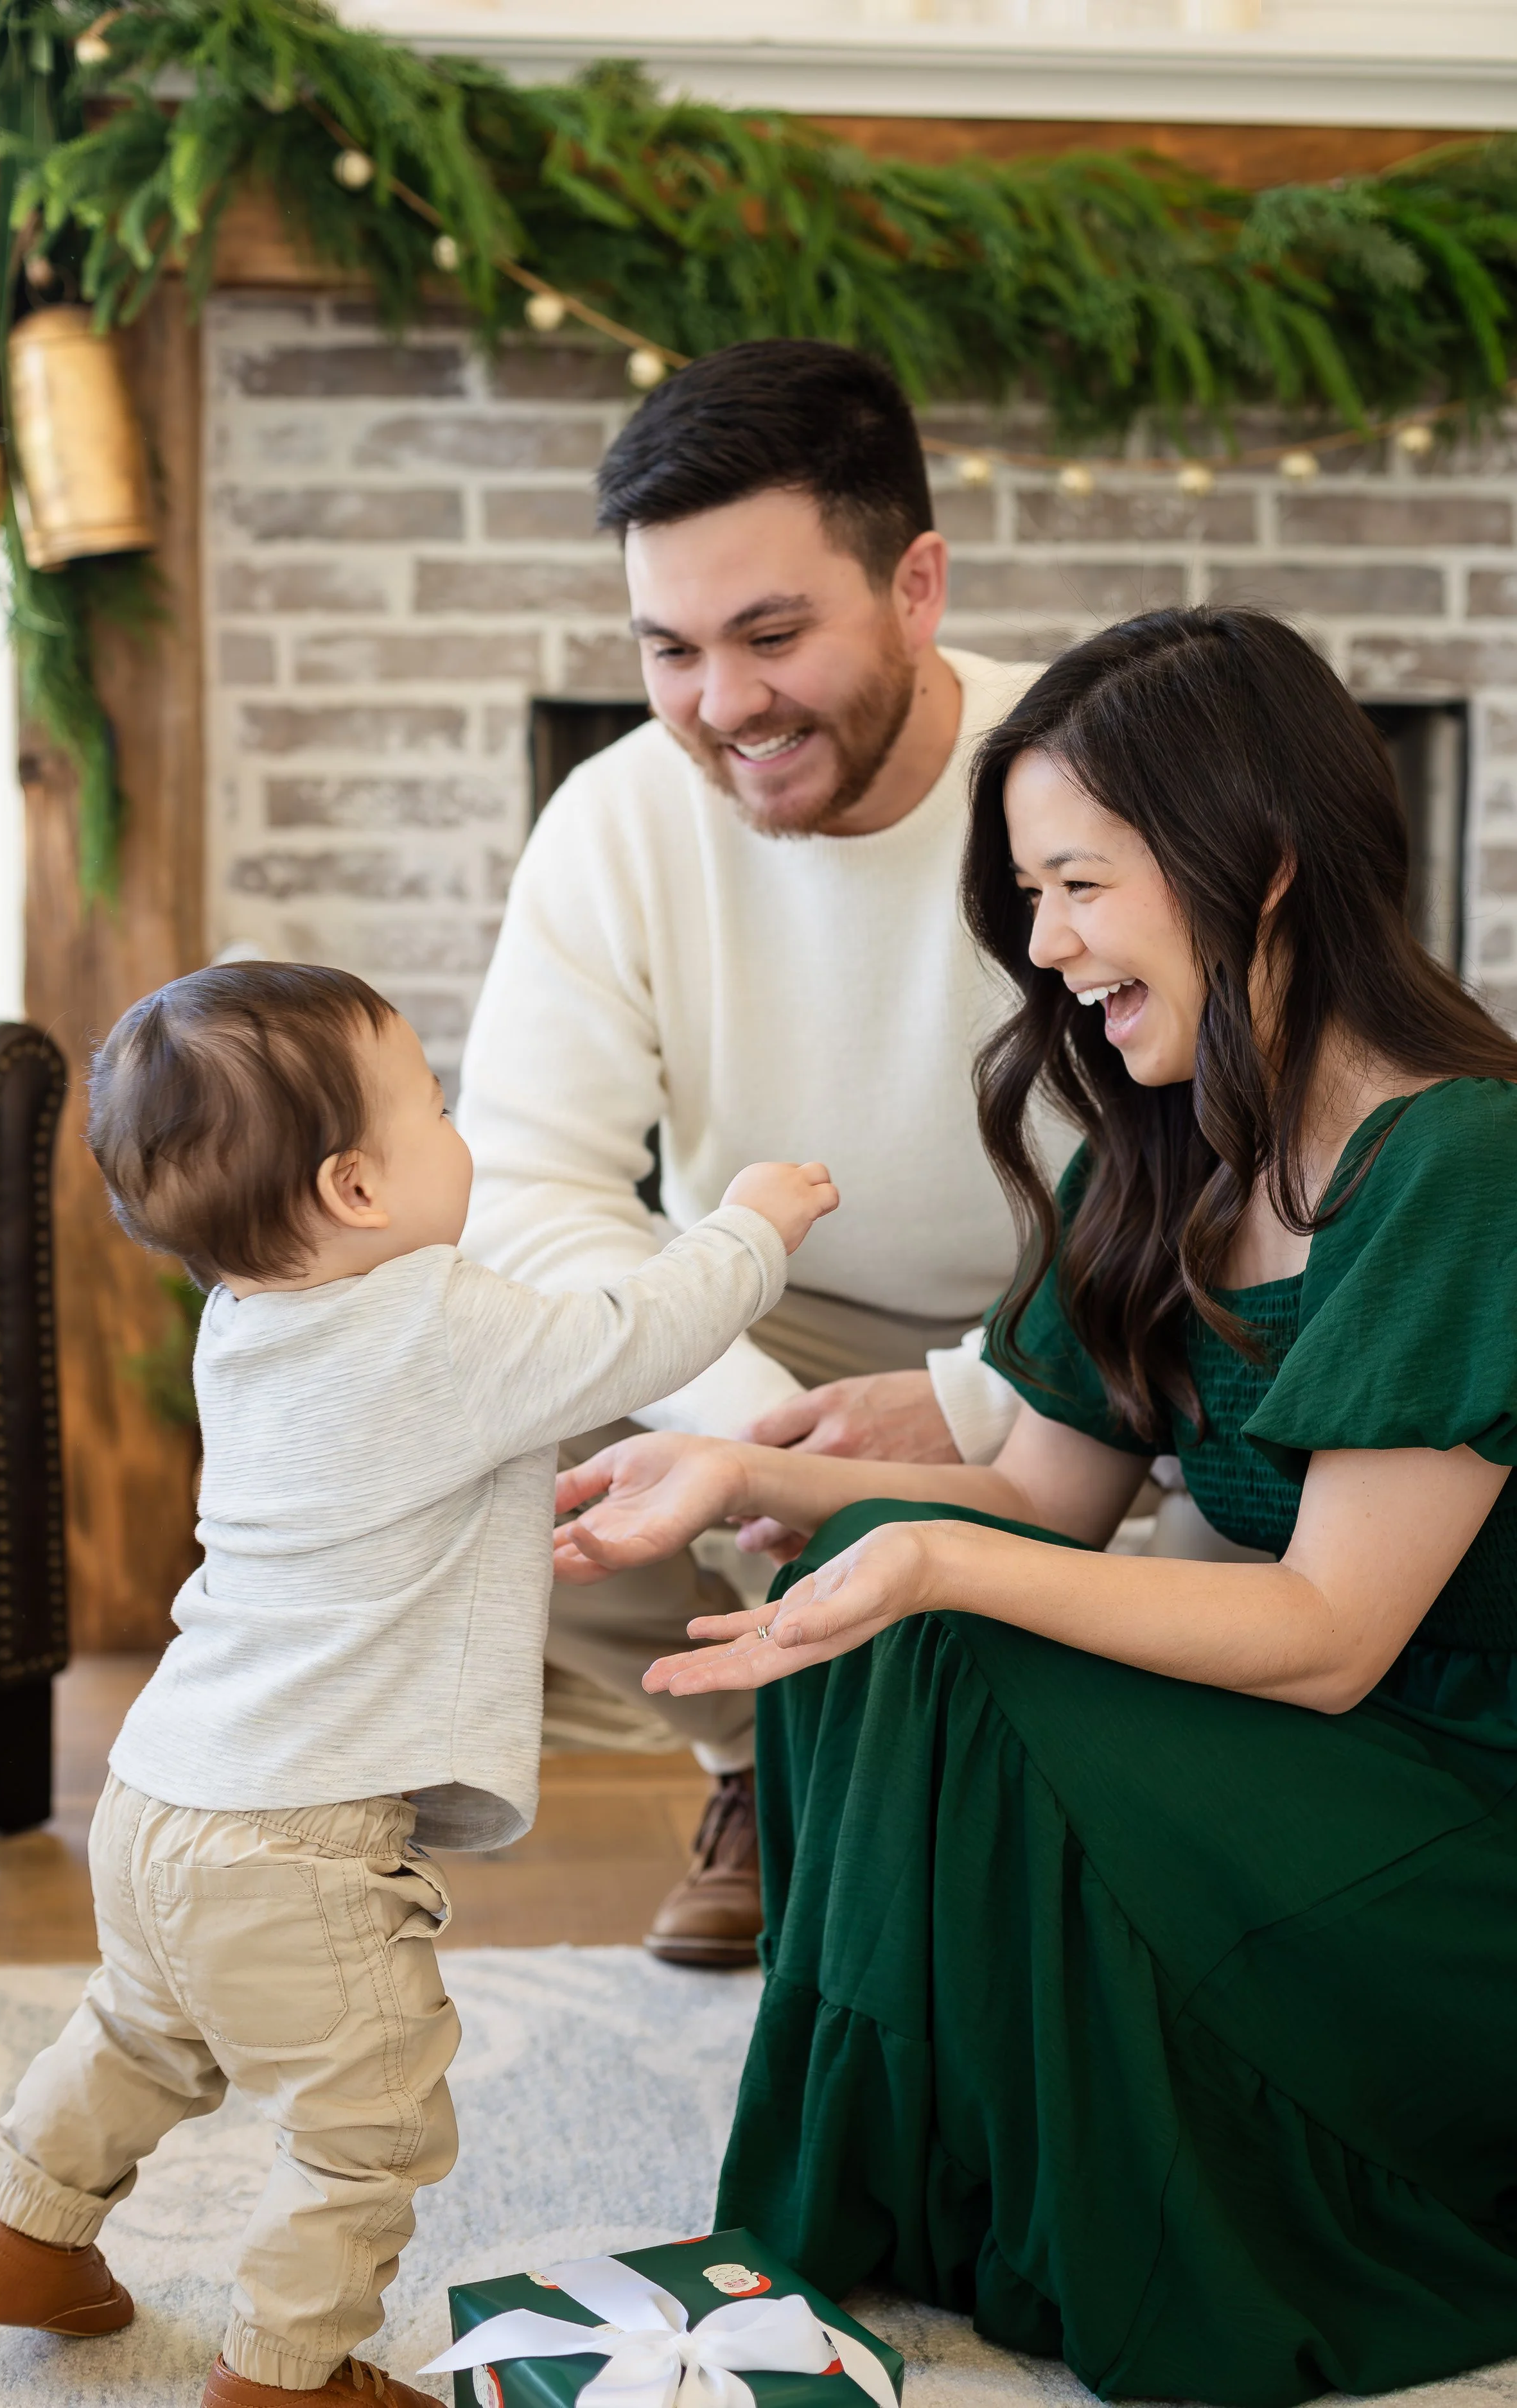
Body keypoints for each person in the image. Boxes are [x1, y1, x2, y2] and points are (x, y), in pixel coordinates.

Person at [551, 608, 1517, 2406]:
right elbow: (1025, 1490)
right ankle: (895, 2180)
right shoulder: (1178, 1147)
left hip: (1461, 1832)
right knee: (870, 1566)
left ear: (1268, 859)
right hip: (1331, 1781)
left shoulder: (1461, 1160)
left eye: (1077, 884)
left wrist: (931, 1558)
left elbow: (1323, 1636)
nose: (1047, 947)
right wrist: (753, 1470)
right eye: (1028, 897)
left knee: (932, 1595)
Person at [0, 963, 836, 2408]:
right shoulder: (439, 1324)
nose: (460, 1129)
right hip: (295, 1842)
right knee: (373, 2125)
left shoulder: (247, 1325)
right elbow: (634, 1334)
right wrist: (750, 1226)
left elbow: (426, 1468)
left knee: (141, 2031)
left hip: (162, 1798)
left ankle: (25, 2234)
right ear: (357, 1187)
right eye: (437, 1105)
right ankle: (286, 2373)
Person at [456, 337, 1041, 1967]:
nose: (722, 707)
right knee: (460, 1431)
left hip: (1070, 1339)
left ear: (914, 585)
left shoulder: (1089, 776)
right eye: (671, 648)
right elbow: (524, 1190)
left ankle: (972, 1787)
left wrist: (985, 1395)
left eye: (773, 634)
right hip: (751, 1328)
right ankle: (753, 1770)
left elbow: (1231, 1197)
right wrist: (747, 1433)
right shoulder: (617, 817)